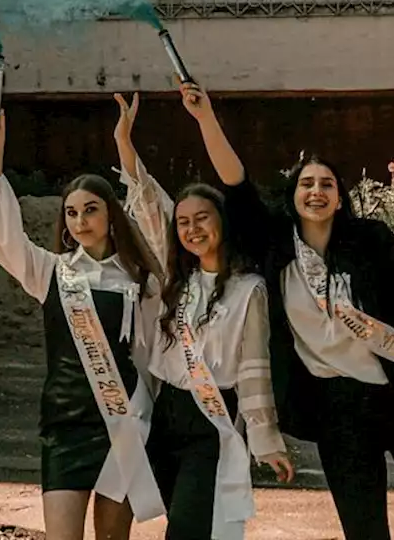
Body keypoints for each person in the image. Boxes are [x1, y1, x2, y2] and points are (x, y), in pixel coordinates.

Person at [183, 81, 394, 540]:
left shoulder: (370, 241)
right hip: (336, 411)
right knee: (364, 531)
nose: (316, 191)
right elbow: (236, 183)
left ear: (340, 197)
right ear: (292, 196)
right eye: (306, 183)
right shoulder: (275, 247)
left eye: (327, 184)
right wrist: (206, 117)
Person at [0, 108, 164, 540]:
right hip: (65, 422)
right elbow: (0, 235)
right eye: (71, 213)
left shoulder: (141, 282)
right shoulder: (50, 271)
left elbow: (149, 356)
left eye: (90, 210)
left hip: (122, 421)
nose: (80, 222)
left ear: (111, 215)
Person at [113, 93, 293, 539]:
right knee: (170, 518)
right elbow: (147, 203)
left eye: (203, 218)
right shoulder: (177, 276)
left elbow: (254, 370)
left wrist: (266, 438)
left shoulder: (249, 289)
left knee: (190, 529)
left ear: (223, 223)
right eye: (184, 222)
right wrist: (124, 140)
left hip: (211, 419)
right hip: (166, 413)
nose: (192, 228)